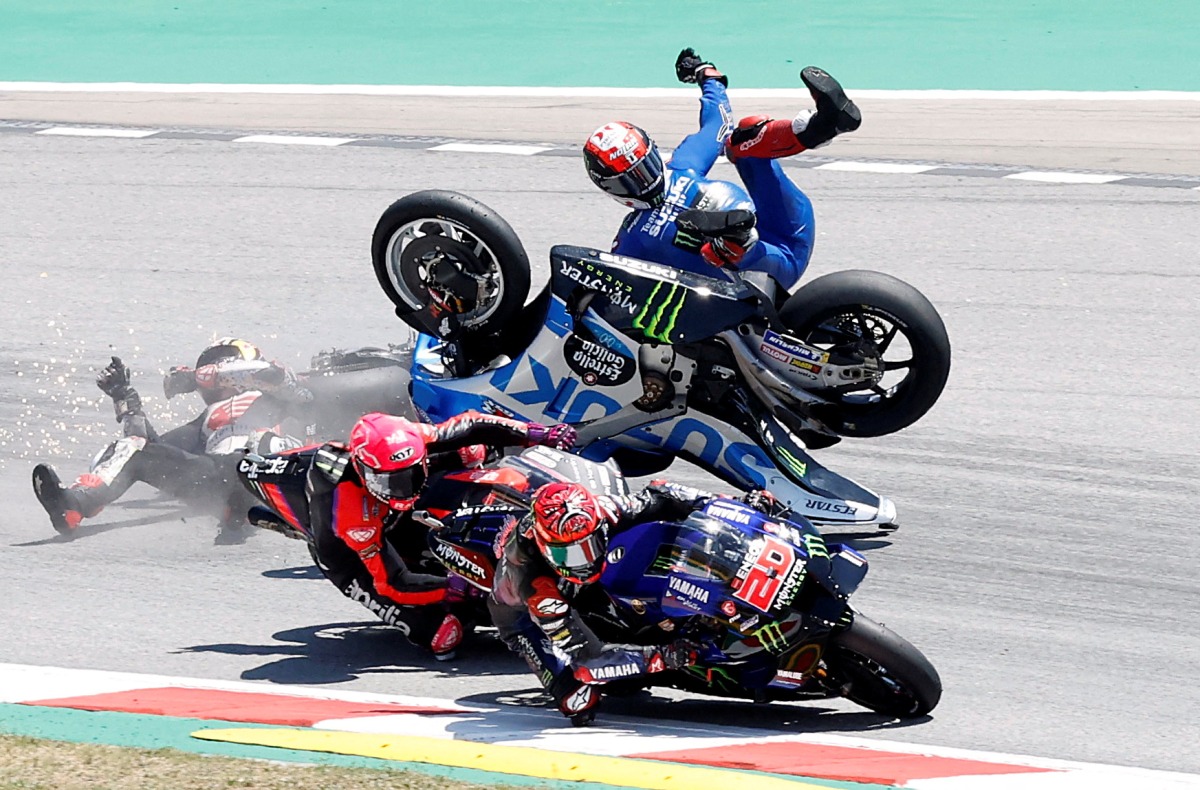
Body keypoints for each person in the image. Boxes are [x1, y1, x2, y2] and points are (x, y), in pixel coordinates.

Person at [488, 478, 784, 723]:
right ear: (546, 547)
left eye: (591, 544)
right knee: (577, 700)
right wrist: (666, 656)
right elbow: (591, 660)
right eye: (573, 553)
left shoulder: (603, 511)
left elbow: (662, 494)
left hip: (585, 573)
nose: (586, 558)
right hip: (522, 615)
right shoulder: (537, 586)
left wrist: (732, 504)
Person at [583, 48, 862, 294]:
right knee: (705, 253)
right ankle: (735, 242)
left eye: (644, 168)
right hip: (751, 282)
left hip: (786, 229)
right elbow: (615, 294)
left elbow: (718, 120)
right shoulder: (632, 238)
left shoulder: (683, 164)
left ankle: (818, 128)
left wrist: (706, 75)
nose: (643, 183)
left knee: (741, 140)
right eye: (628, 181)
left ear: (652, 151)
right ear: (608, 187)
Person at [306, 410, 577, 661]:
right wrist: (454, 588)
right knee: (443, 636)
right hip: (349, 558)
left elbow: (470, 425)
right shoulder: (353, 516)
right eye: (390, 482)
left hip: (389, 513)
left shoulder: (409, 437)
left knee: (472, 451)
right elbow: (392, 584)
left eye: (411, 474)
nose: (402, 488)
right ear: (365, 472)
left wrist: (534, 433)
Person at [31, 338, 310, 543]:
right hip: (216, 477)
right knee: (131, 449)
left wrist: (198, 377)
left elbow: (271, 376)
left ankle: (246, 502)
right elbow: (147, 448)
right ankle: (75, 504)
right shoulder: (206, 421)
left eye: (219, 360)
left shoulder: (279, 394)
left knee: (258, 450)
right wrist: (123, 397)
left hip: (270, 471)